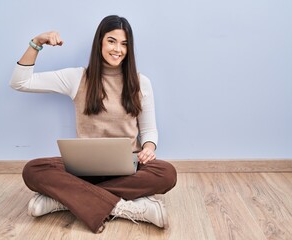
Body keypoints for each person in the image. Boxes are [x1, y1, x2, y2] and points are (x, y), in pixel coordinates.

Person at [10, 15, 177, 234]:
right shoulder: (77, 78)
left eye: (124, 44)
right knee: (33, 170)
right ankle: (126, 207)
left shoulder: (140, 82)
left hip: (130, 166)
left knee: (167, 173)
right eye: (111, 41)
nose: (118, 49)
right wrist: (37, 42)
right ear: (100, 41)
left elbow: (148, 130)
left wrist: (148, 148)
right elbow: (20, 82)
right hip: (84, 168)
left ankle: (64, 201)